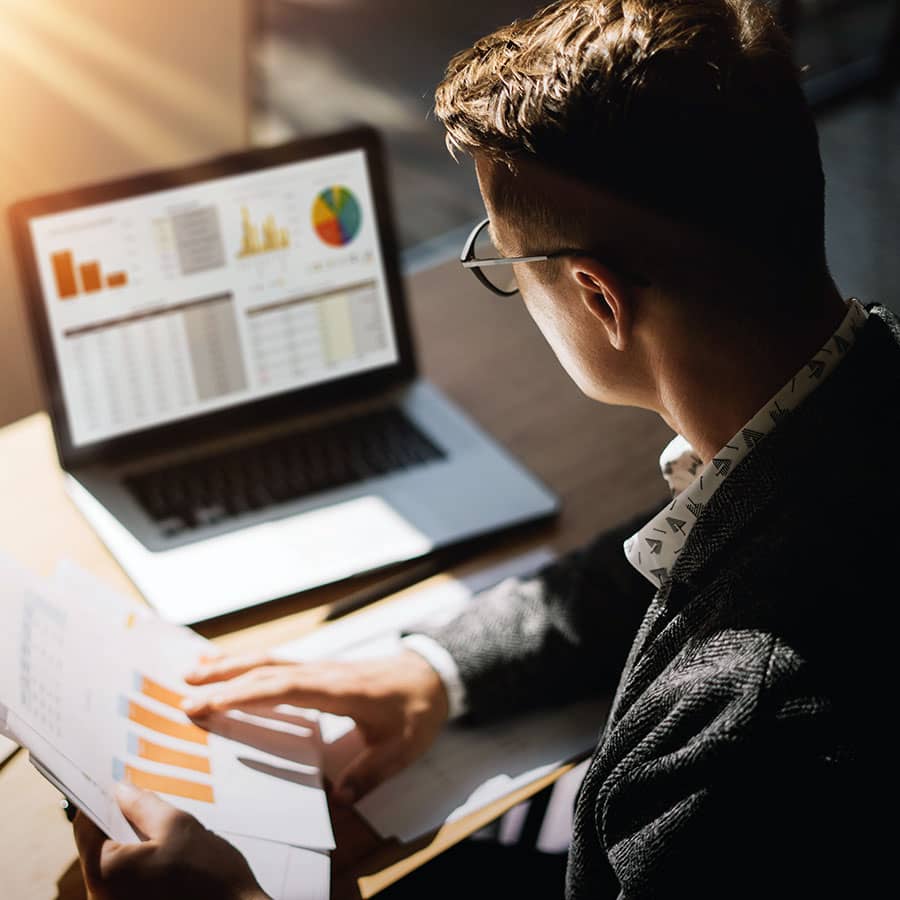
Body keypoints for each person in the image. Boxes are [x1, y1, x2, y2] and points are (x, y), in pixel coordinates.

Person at [74, 1, 897, 897]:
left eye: (504, 264)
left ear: (599, 299)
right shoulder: (842, 420)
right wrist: (438, 666)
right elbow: (703, 549)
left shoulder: (742, 745)